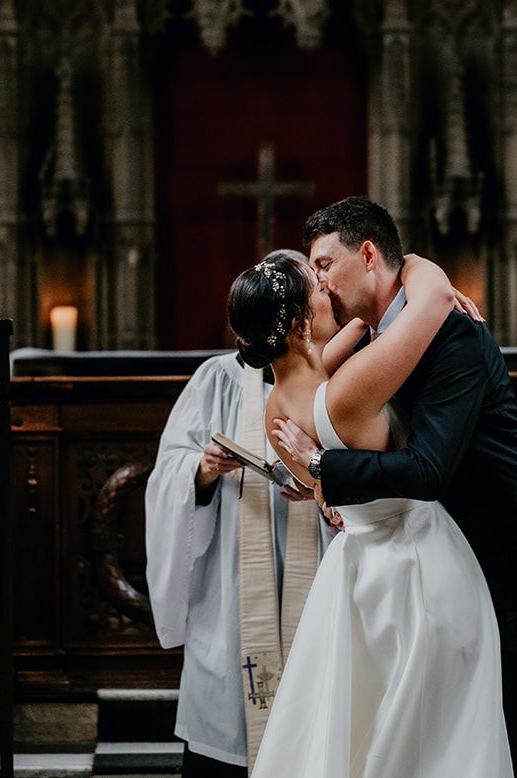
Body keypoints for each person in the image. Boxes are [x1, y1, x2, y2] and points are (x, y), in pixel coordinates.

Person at [272, 196, 517, 778]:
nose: (318, 283)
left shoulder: (451, 334)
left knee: (501, 744)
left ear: (367, 255)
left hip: (516, 552)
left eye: (323, 265)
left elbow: (429, 469)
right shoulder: (376, 334)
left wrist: (324, 469)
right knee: (446, 743)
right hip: (453, 557)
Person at [231, 249, 513, 778]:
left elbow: (352, 333)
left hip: (355, 567)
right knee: (433, 735)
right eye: (315, 287)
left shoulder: (277, 407)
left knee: (363, 724)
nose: (325, 287)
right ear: (297, 323)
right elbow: (427, 306)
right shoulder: (348, 390)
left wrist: (321, 485)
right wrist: (413, 265)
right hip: (415, 565)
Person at [144, 249, 327, 778]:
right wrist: (200, 470)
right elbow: (168, 469)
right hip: (232, 584)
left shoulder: (333, 375)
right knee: (229, 729)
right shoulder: (217, 379)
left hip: (313, 568)